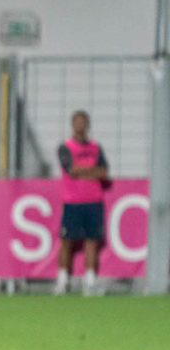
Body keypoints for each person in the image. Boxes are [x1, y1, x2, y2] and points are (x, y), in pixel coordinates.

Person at [54, 110, 109, 296]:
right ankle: (62, 280)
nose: (80, 125)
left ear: (87, 124)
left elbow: (103, 172)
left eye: (83, 122)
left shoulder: (95, 147)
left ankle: (90, 281)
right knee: (66, 241)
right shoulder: (65, 147)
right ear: (72, 124)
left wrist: (84, 171)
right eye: (77, 122)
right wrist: (92, 171)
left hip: (93, 201)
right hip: (72, 201)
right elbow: (71, 170)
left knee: (91, 241)